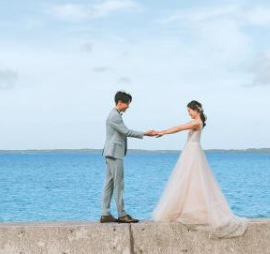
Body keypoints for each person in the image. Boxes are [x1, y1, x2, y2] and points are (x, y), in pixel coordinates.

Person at [151, 100, 248, 238]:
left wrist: (163, 132)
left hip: (193, 153)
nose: (189, 113)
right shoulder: (196, 122)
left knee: (191, 180)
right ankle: (185, 209)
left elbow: (179, 127)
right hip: (190, 151)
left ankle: (193, 210)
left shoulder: (197, 122)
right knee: (188, 181)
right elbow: (180, 127)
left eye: (190, 111)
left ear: (196, 109)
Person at [100, 90, 156, 224]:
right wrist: (145, 133)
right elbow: (126, 132)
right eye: (127, 104)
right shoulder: (115, 116)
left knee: (109, 184)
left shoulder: (114, 115)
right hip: (114, 153)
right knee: (119, 184)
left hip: (110, 152)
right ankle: (122, 214)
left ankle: (105, 214)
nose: (128, 107)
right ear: (120, 103)